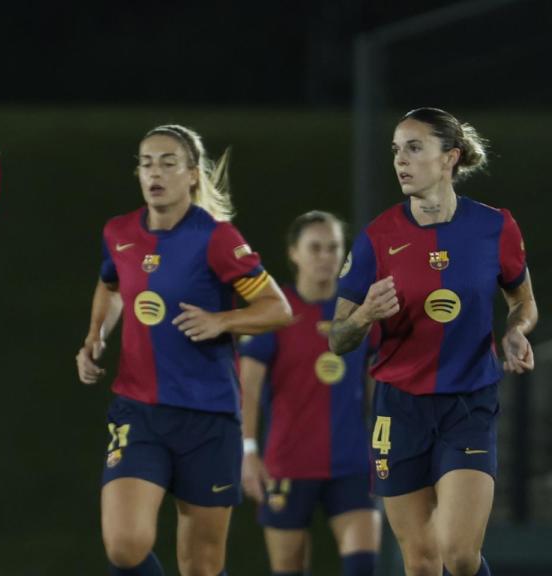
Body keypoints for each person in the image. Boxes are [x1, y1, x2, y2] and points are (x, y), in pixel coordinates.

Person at [76, 124, 291, 576]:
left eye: (168, 163)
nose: (155, 172)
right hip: (139, 410)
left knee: (202, 566)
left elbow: (278, 308)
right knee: (123, 545)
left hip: (208, 417)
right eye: (146, 163)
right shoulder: (119, 232)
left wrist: (222, 320)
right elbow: (111, 284)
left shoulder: (217, 237)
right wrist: (96, 333)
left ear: (192, 174)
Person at [330, 108, 537, 576]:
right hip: (398, 408)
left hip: (468, 403)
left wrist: (516, 331)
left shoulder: (494, 226)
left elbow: (524, 303)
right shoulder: (377, 238)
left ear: (450, 158)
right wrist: (365, 313)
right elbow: (338, 339)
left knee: (459, 555)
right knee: (422, 563)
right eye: (396, 150)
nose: (400, 160)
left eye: (414, 148)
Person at [239, 210, 380, 576]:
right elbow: (248, 387)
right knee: (288, 569)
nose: (325, 256)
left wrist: (385, 444)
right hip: (287, 464)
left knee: (363, 565)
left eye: (333, 248)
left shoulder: (362, 313)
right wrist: (248, 451)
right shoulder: (274, 312)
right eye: (314, 248)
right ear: (294, 254)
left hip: (351, 462)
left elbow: (376, 383)